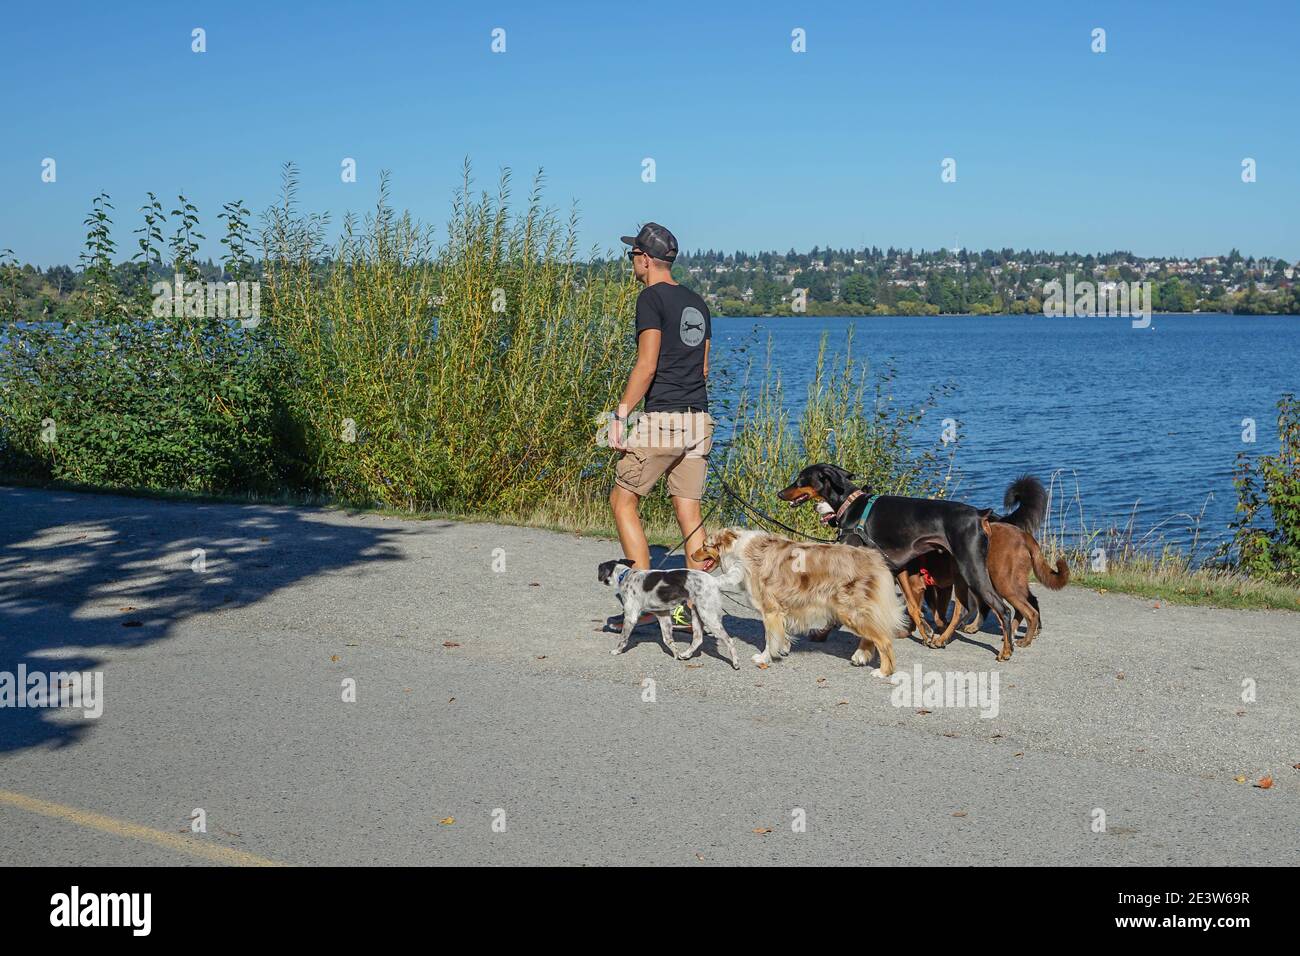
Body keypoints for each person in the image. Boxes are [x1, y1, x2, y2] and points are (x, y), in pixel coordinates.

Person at [608, 222, 714, 629]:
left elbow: (647, 364)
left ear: (646, 259)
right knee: (690, 517)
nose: (631, 263)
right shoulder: (697, 302)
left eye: (632, 256)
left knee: (623, 501)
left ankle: (648, 605)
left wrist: (621, 415)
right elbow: (703, 367)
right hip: (698, 418)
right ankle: (695, 609)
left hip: (663, 419)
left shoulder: (650, 298)